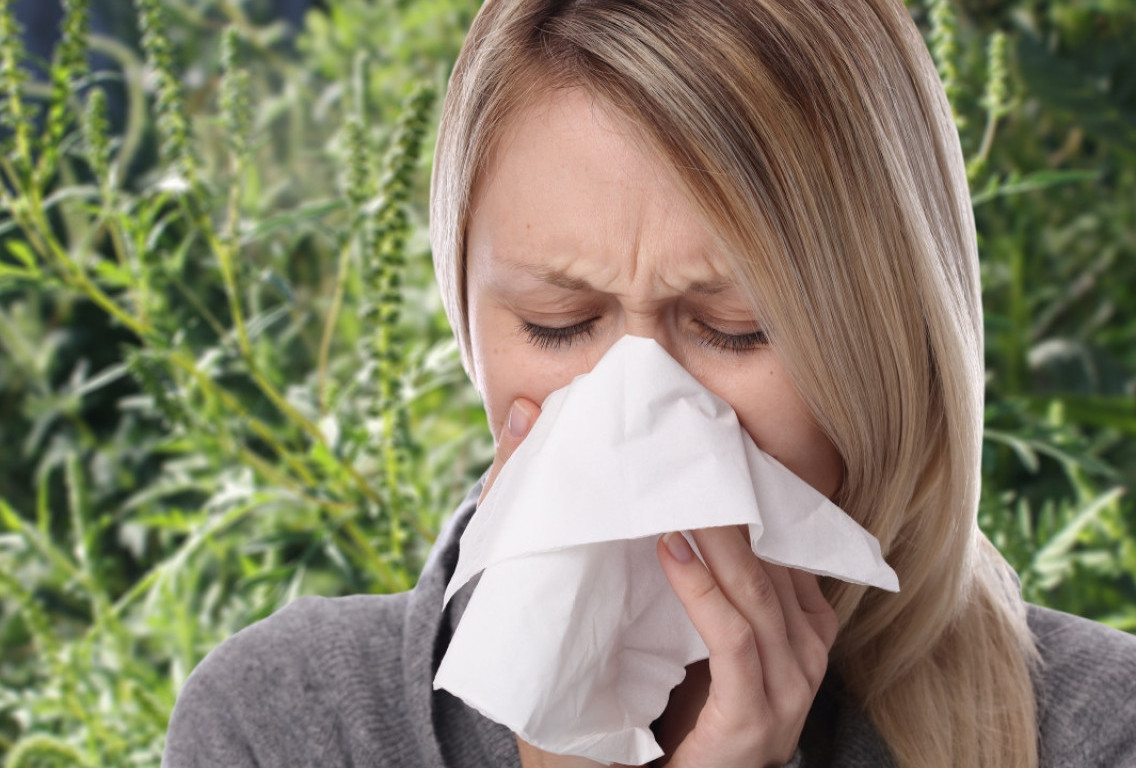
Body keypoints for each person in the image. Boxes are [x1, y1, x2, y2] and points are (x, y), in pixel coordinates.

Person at [160, 1, 1136, 766]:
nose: (634, 417)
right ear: (468, 322)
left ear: (888, 338)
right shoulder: (290, 725)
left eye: (734, 330)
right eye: (558, 323)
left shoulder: (1095, 733)